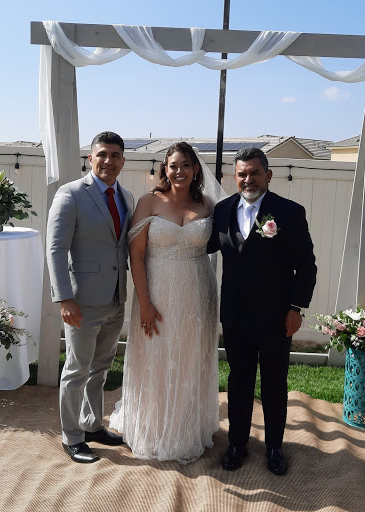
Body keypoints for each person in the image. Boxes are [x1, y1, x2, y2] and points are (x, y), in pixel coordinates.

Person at [208, 146, 317, 476]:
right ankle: (237, 444)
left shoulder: (288, 212)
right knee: (238, 381)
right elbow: (203, 244)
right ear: (234, 177)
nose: (248, 179)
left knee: (274, 382)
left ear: (268, 175)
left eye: (255, 172)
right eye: (242, 174)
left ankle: (274, 447)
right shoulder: (222, 210)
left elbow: (306, 266)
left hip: (275, 316)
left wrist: (296, 308)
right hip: (235, 315)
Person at [109, 142, 220, 464]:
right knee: (156, 357)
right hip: (156, 291)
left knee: (190, 358)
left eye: (185, 165)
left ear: (195, 169)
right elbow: (136, 255)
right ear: (164, 169)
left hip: (198, 293)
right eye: (173, 165)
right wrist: (145, 303)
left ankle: (186, 427)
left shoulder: (208, 204)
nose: (179, 171)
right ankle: (154, 427)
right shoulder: (149, 201)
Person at [46, 131, 134, 464]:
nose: (108, 161)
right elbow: (56, 249)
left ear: (123, 161)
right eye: (102, 154)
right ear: (90, 158)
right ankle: (72, 438)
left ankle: (92, 424)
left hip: (116, 299)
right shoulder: (70, 194)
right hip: (81, 302)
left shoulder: (126, 196)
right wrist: (64, 299)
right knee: (77, 370)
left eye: (115, 155)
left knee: (101, 368)